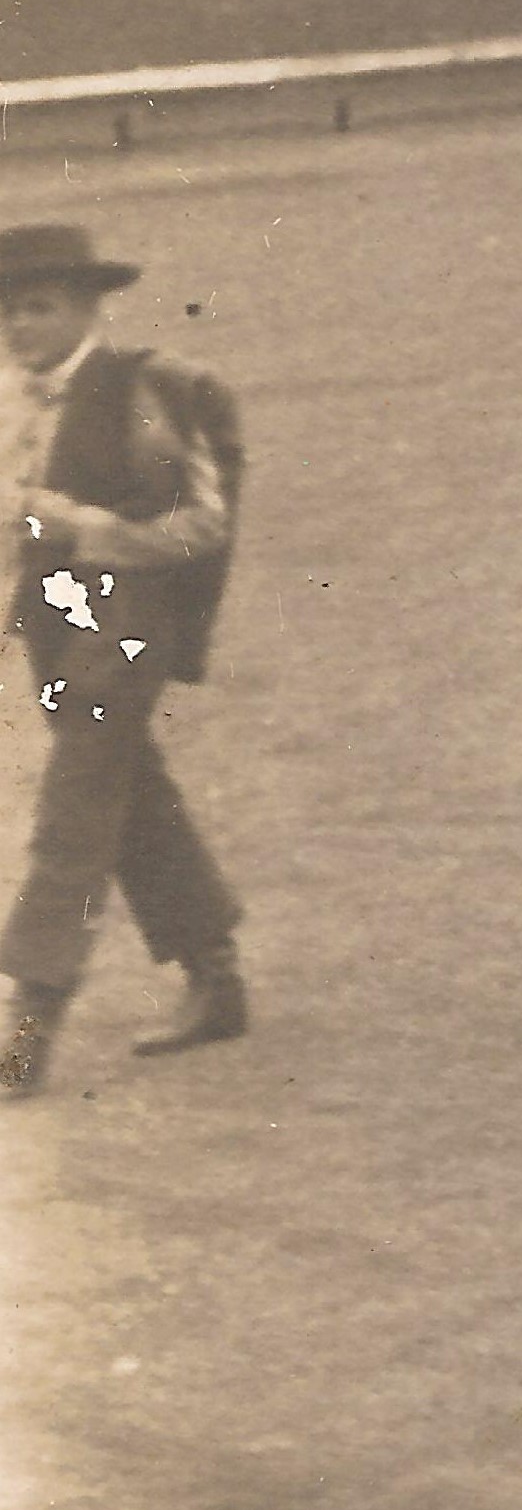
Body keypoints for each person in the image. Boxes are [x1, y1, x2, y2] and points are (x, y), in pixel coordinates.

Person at [3, 225, 244, 1102]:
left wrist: (76, 526)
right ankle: (216, 976)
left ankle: (26, 1035)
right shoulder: (11, 398)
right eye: (10, 309)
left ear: (86, 307)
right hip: (56, 626)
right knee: (126, 787)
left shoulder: (136, 390)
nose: (21, 325)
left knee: (74, 809)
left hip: (126, 625)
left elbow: (197, 523)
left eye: (41, 306)